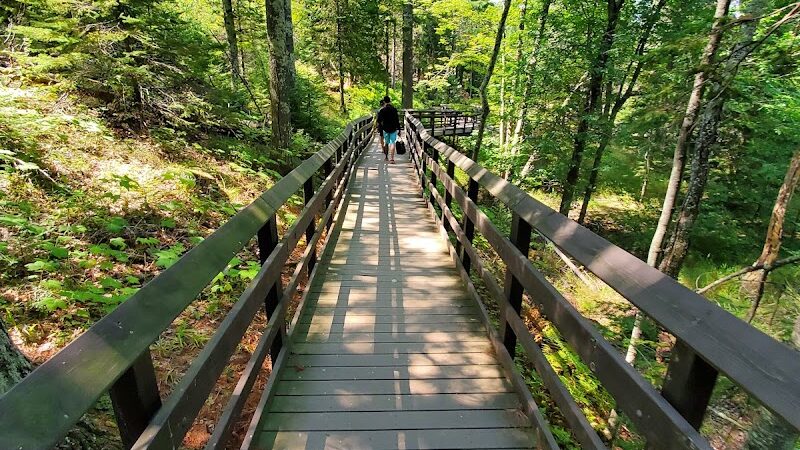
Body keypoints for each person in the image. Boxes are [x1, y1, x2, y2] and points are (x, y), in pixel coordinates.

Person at [376, 95, 400, 163]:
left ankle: (386, 157)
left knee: (386, 143)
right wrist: (399, 129)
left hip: (385, 128)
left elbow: (379, 120)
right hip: (393, 128)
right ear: (390, 101)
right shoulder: (394, 109)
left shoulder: (382, 110)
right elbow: (397, 120)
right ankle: (392, 159)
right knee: (392, 143)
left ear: (384, 101)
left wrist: (380, 127)